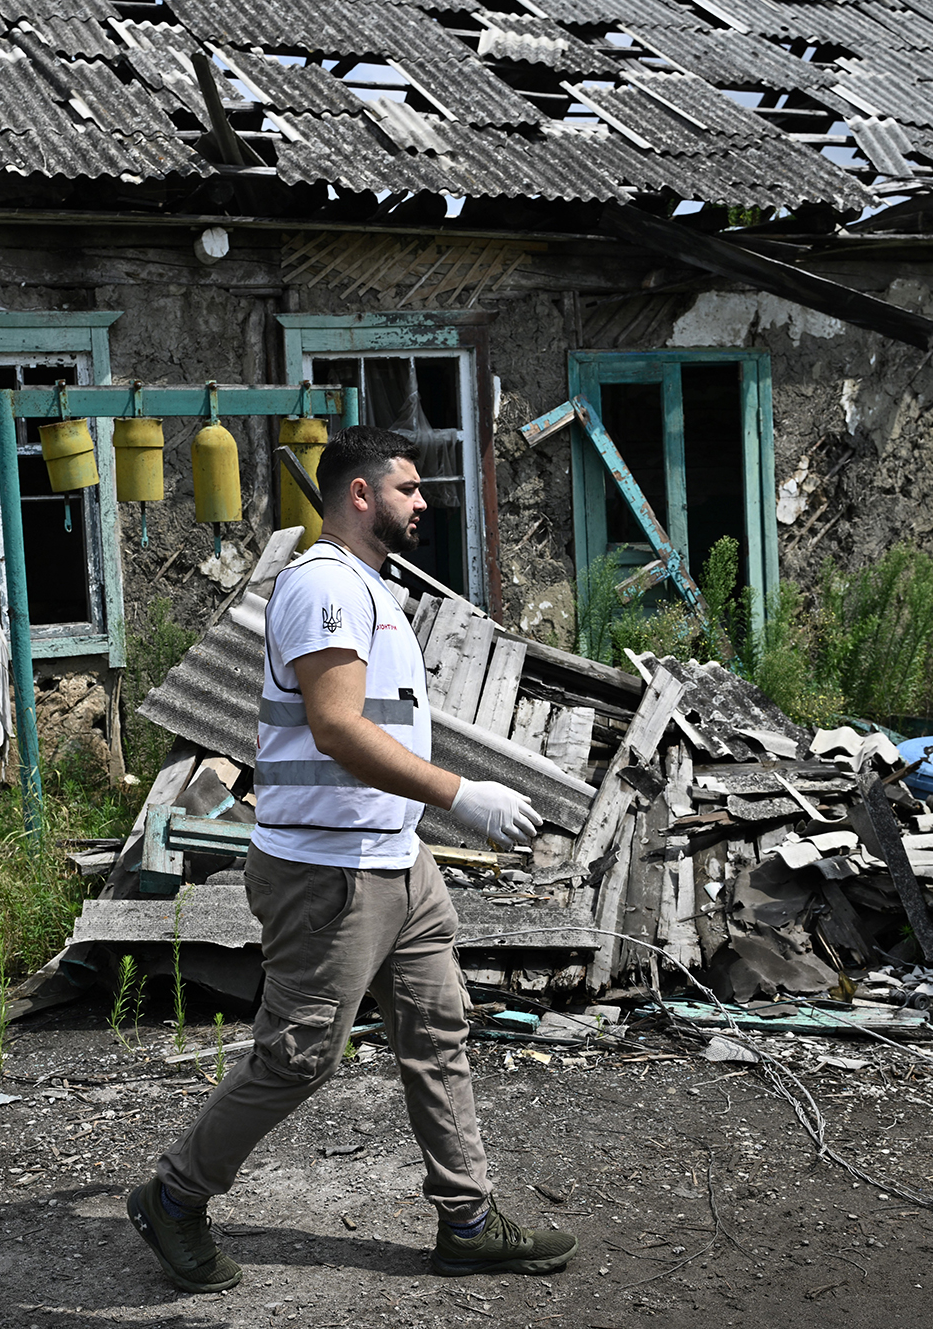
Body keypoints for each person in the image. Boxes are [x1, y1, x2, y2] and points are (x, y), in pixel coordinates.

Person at [127, 426, 576, 1292]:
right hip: (329, 874)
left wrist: (422, 820)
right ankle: (175, 1195)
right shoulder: (326, 586)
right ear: (360, 495)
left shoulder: (370, 590)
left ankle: (469, 1220)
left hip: (396, 863)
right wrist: (460, 795)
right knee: (298, 1055)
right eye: (408, 487)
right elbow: (336, 727)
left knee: (438, 1032)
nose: (423, 502)